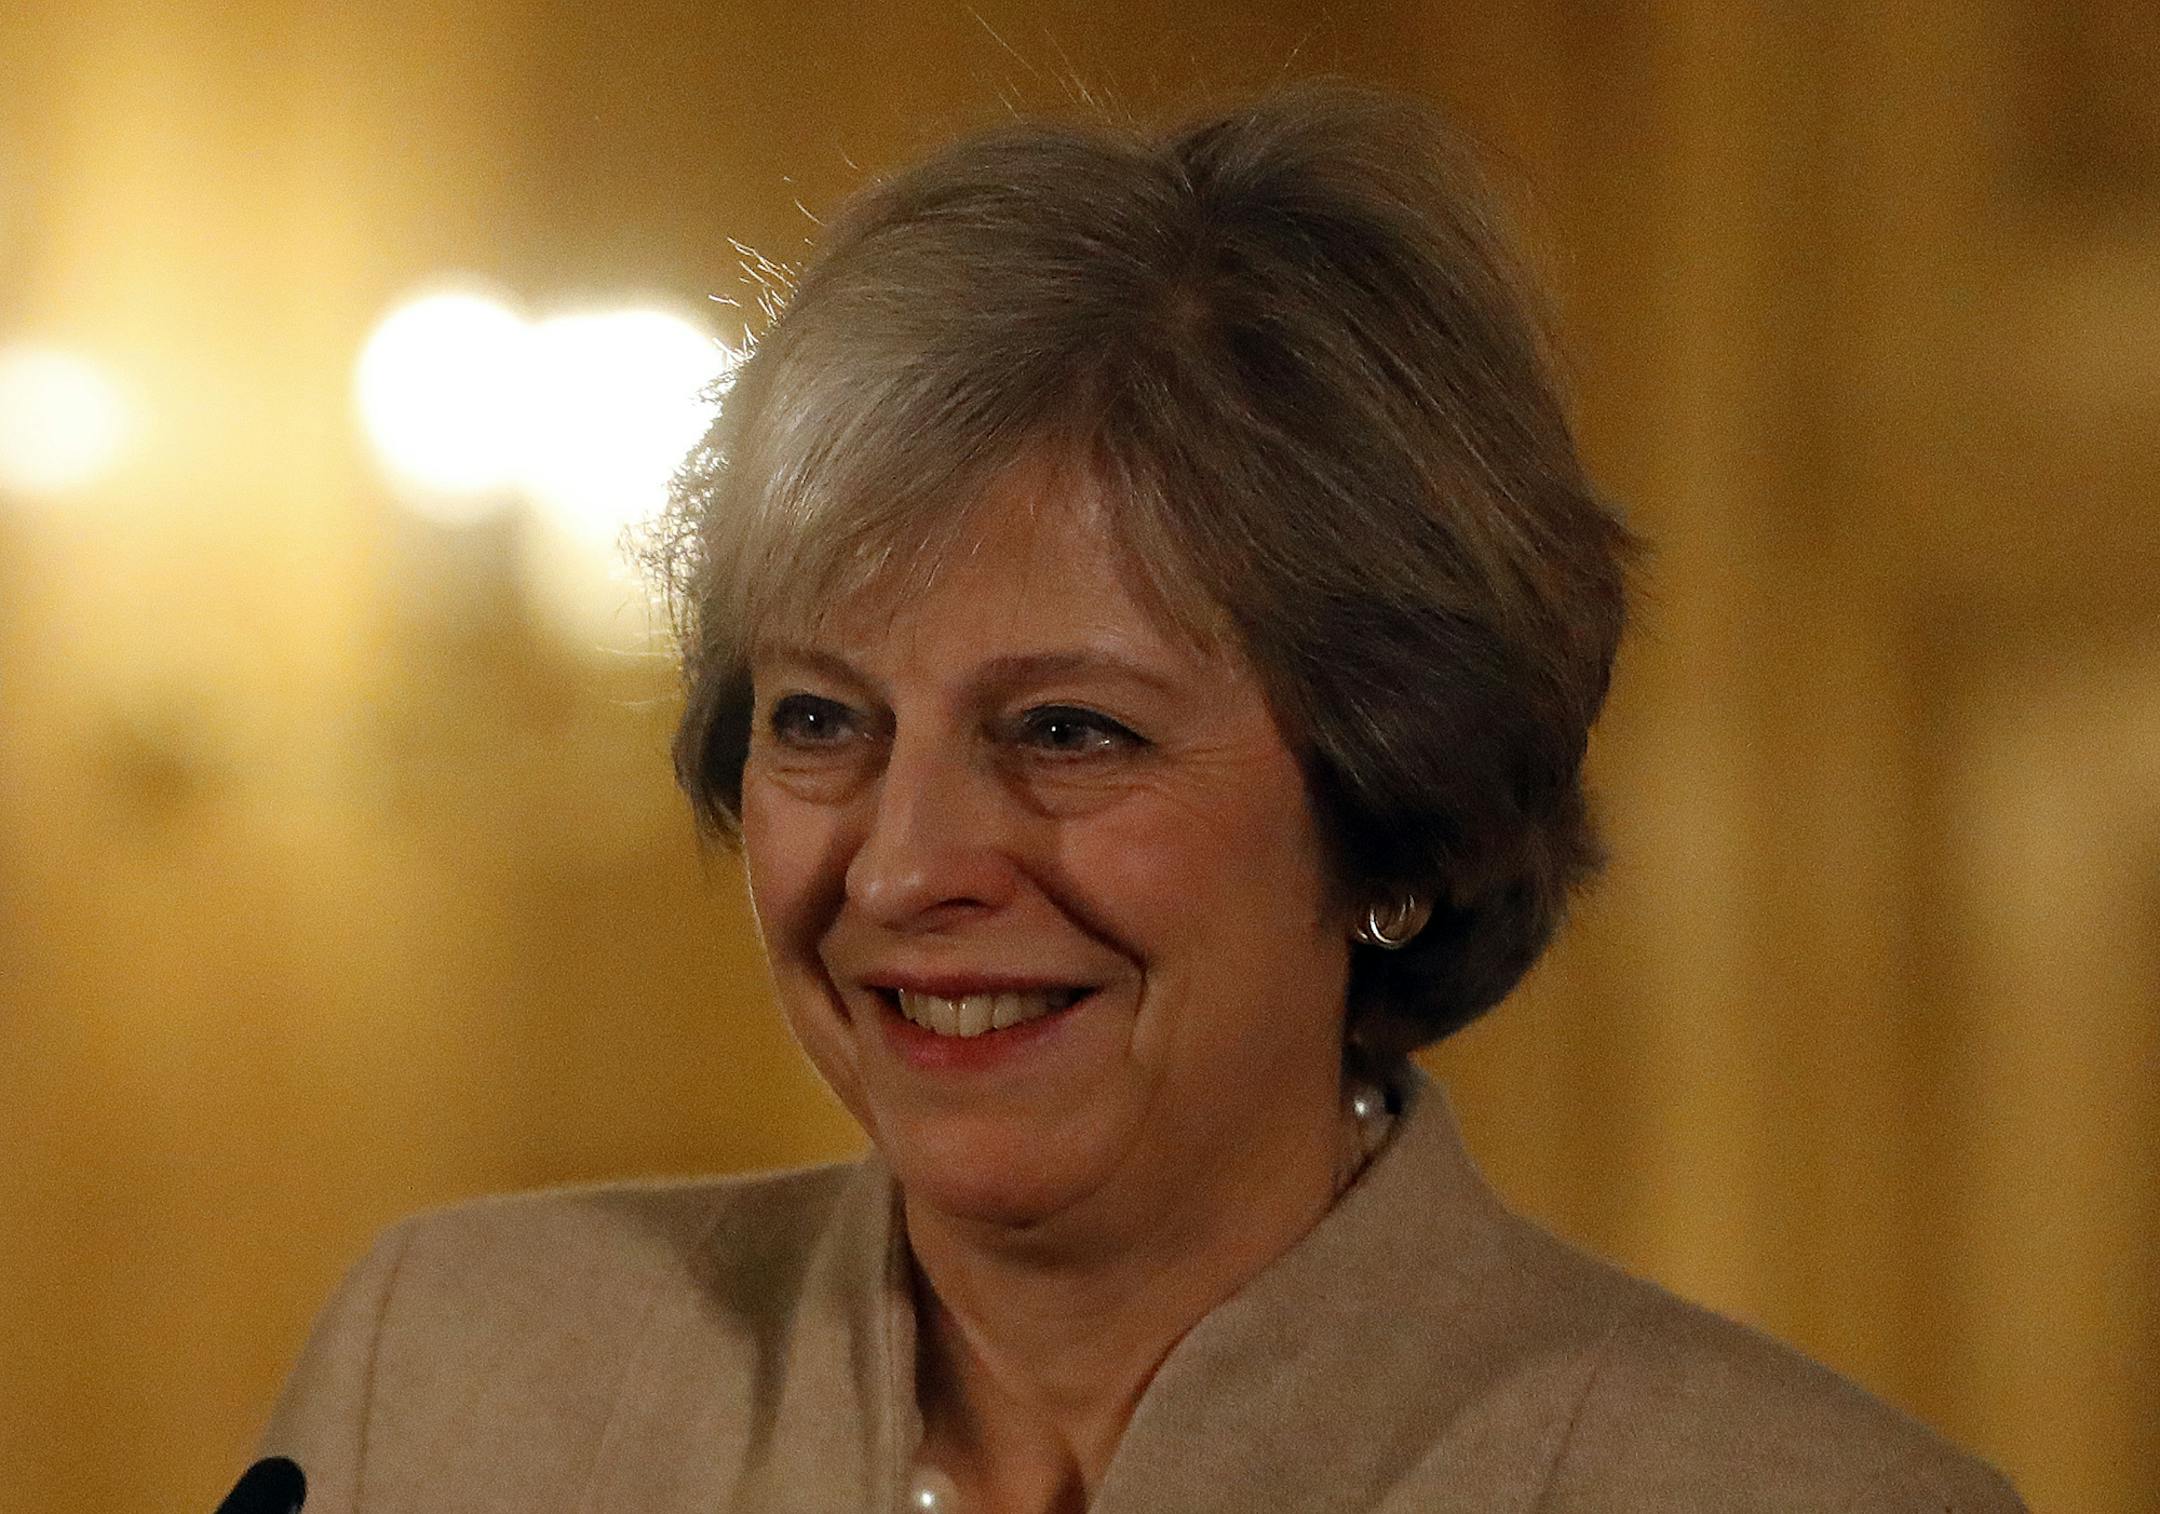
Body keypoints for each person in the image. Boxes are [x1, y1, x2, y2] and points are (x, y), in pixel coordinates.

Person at [258, 84, 2024, 1512]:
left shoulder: (1770, 1491)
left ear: (1390, 812)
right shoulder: (455, 1376)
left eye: (1070, 731)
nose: (910, 858)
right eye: (819, 716)